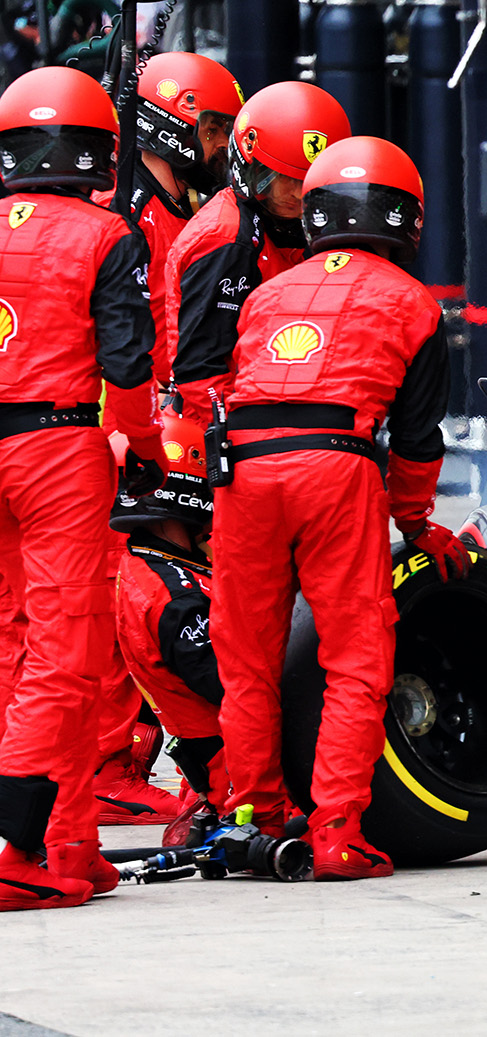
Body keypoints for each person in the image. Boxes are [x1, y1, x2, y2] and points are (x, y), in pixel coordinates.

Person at [211, 136, 463, 880]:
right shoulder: (414, 303)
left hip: (242, 472)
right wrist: (417, 525)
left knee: (246, 657)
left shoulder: (265, 294)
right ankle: (336, 830)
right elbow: (417, 441)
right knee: (355, 654)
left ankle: (252, 817)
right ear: (405, 218)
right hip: (336, 465)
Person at [0, 67, 158, 910]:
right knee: (65, 654)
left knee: (8, 645)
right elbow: (127, 364)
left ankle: (67, 841)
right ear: (97, 148)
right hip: (56, 444)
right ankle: (16, 848)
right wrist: (138, 447)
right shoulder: (105, 234)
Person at [90, 50, 243, 826]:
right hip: (116, 428)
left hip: (164, 424)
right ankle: (111, 765)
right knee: (127, 588)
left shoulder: (186, 212)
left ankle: (174, 755)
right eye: (212, 127)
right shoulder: (123, 211)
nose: (222, 144)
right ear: (171, 124)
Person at [164, 81, 349, 438]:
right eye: (285, 178)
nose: (298, 193)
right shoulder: (228, 239)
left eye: (309, 180)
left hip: (281, 421)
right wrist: (246, 443)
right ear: (250, 166)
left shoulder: (290, 225)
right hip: (232, 434)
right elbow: (201, 372)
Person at [109, 410, 227, 844]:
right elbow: (229, 686)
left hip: (215, 758)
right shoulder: (176, 594)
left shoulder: (147, 564)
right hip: (243, 764)